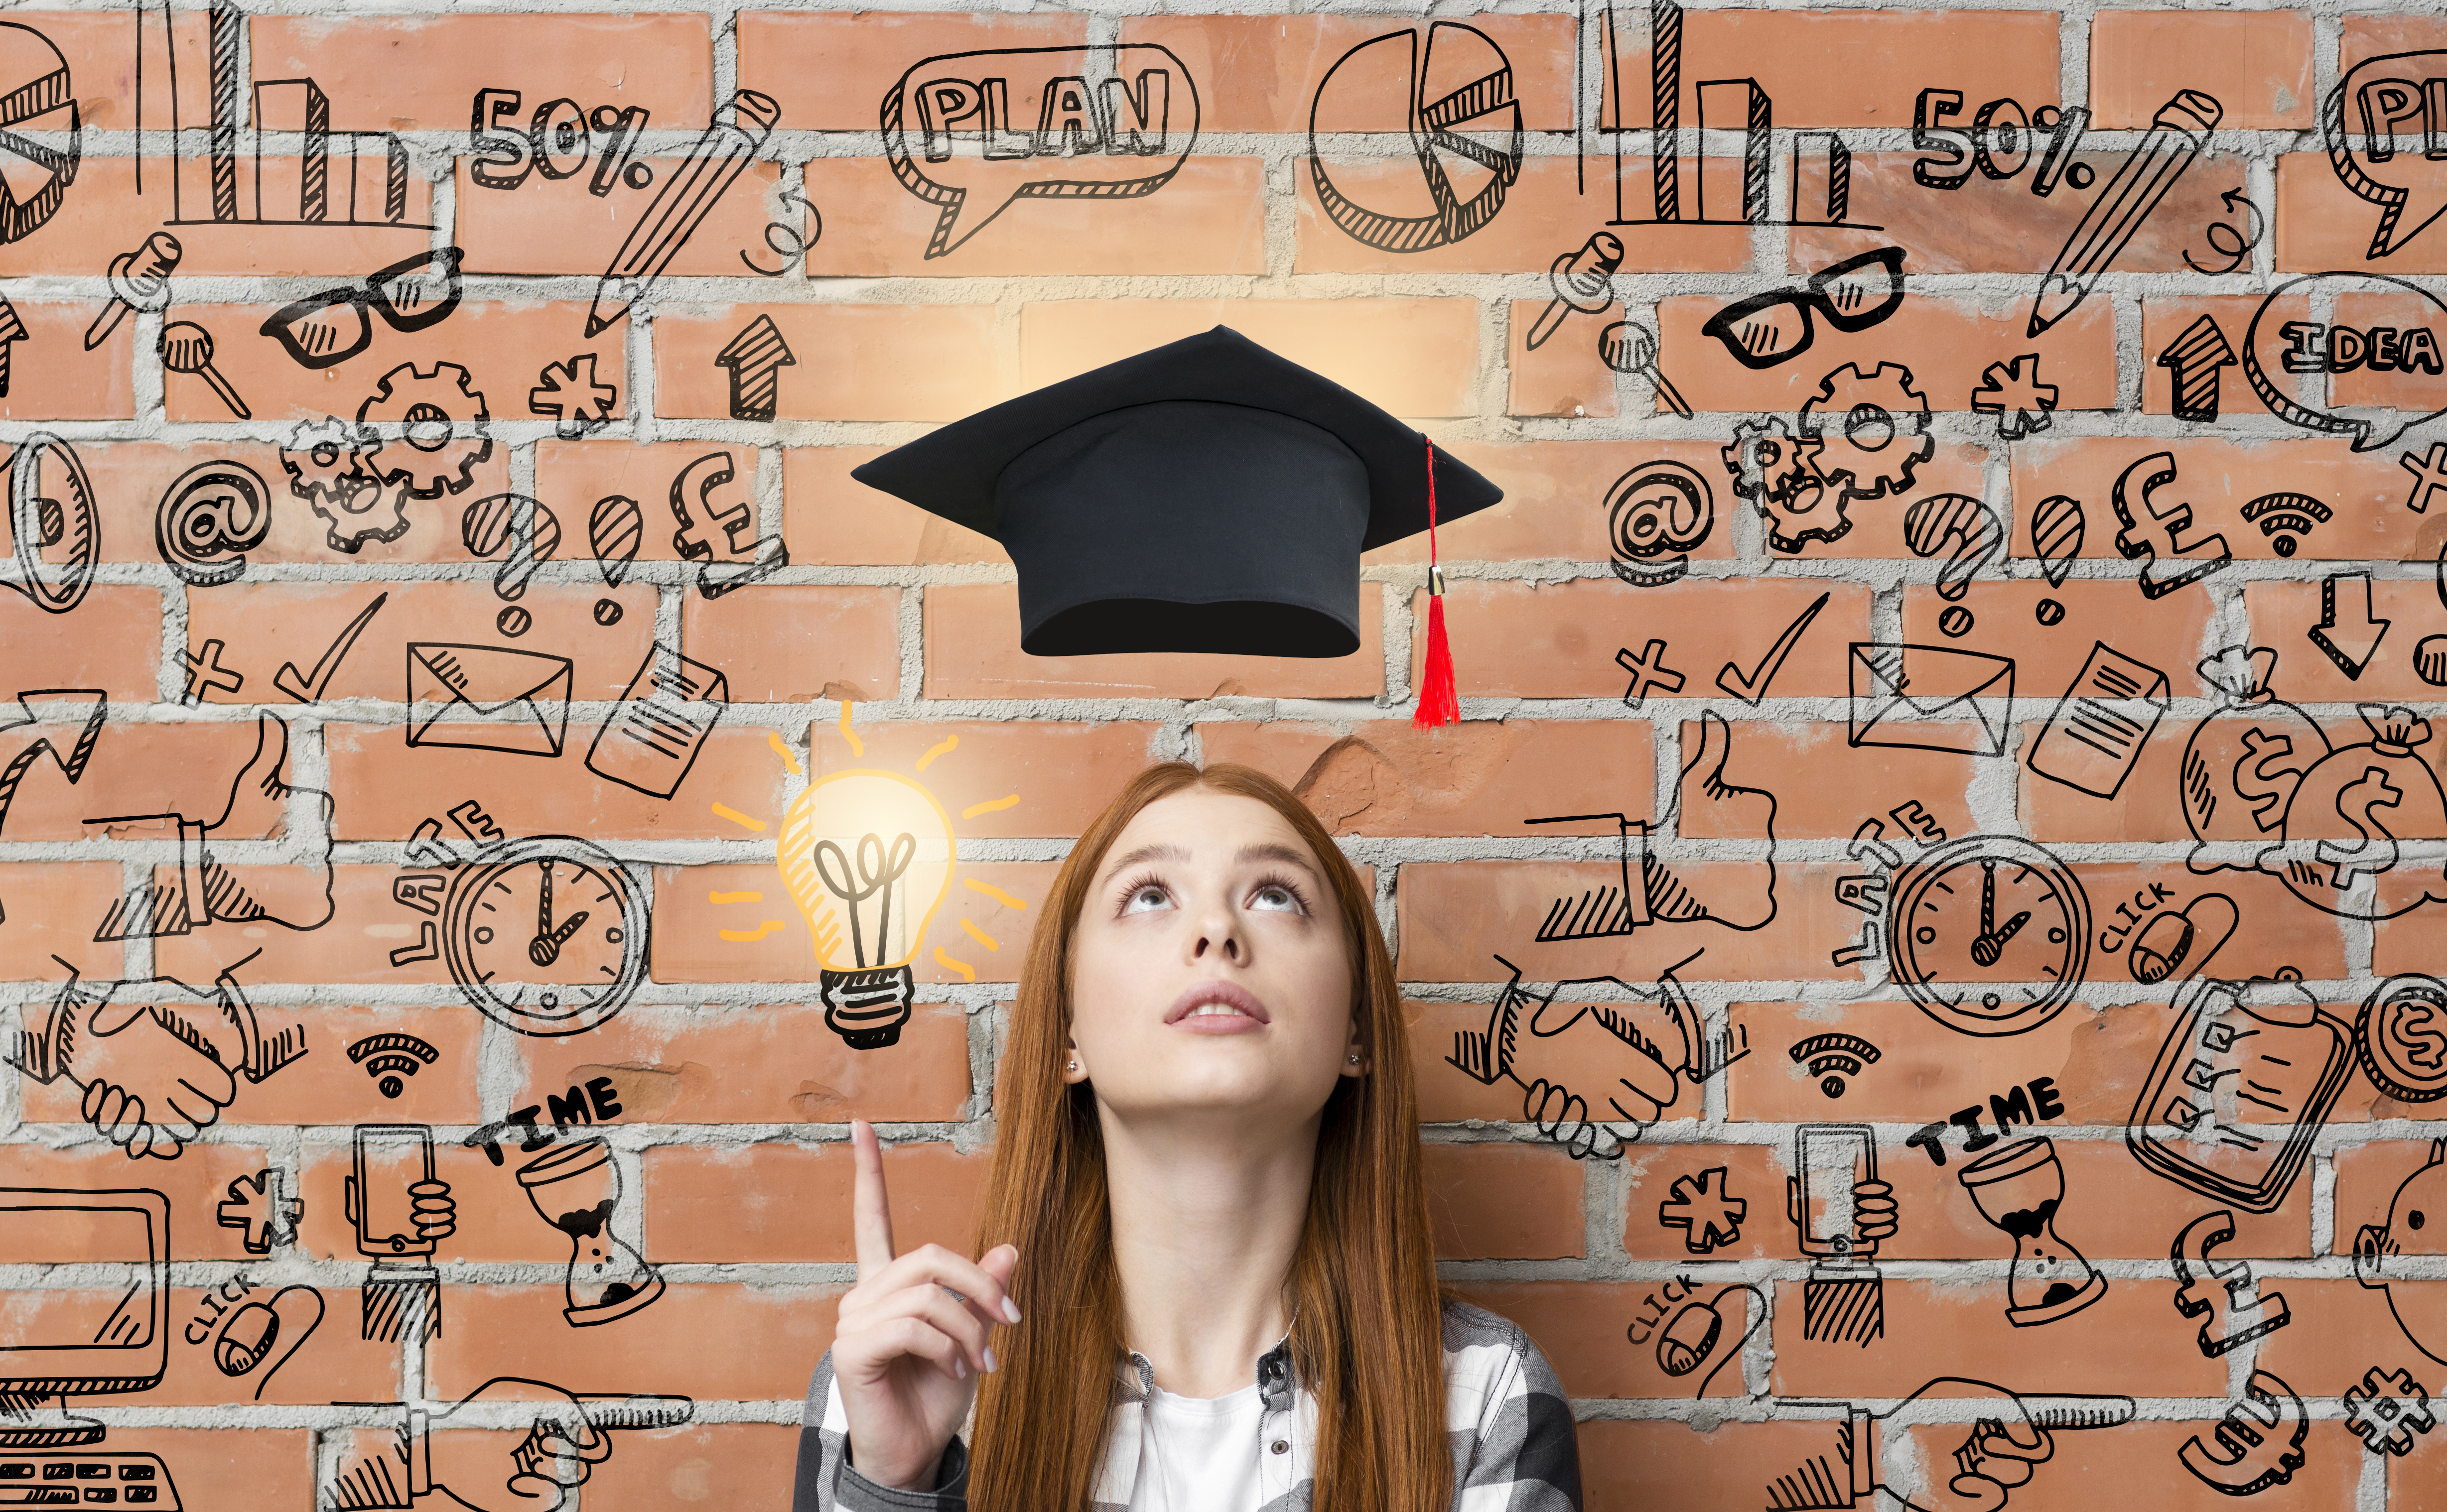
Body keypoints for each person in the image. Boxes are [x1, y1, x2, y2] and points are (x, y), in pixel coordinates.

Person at [792, 760, 1584, 1510]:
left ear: (1356, 1030)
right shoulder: (901, 1380)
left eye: (1277, 895)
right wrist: (894, 1484)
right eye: (1148, 895)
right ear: (1068, 1035)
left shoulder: (1483, 1394)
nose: (1216, 929)